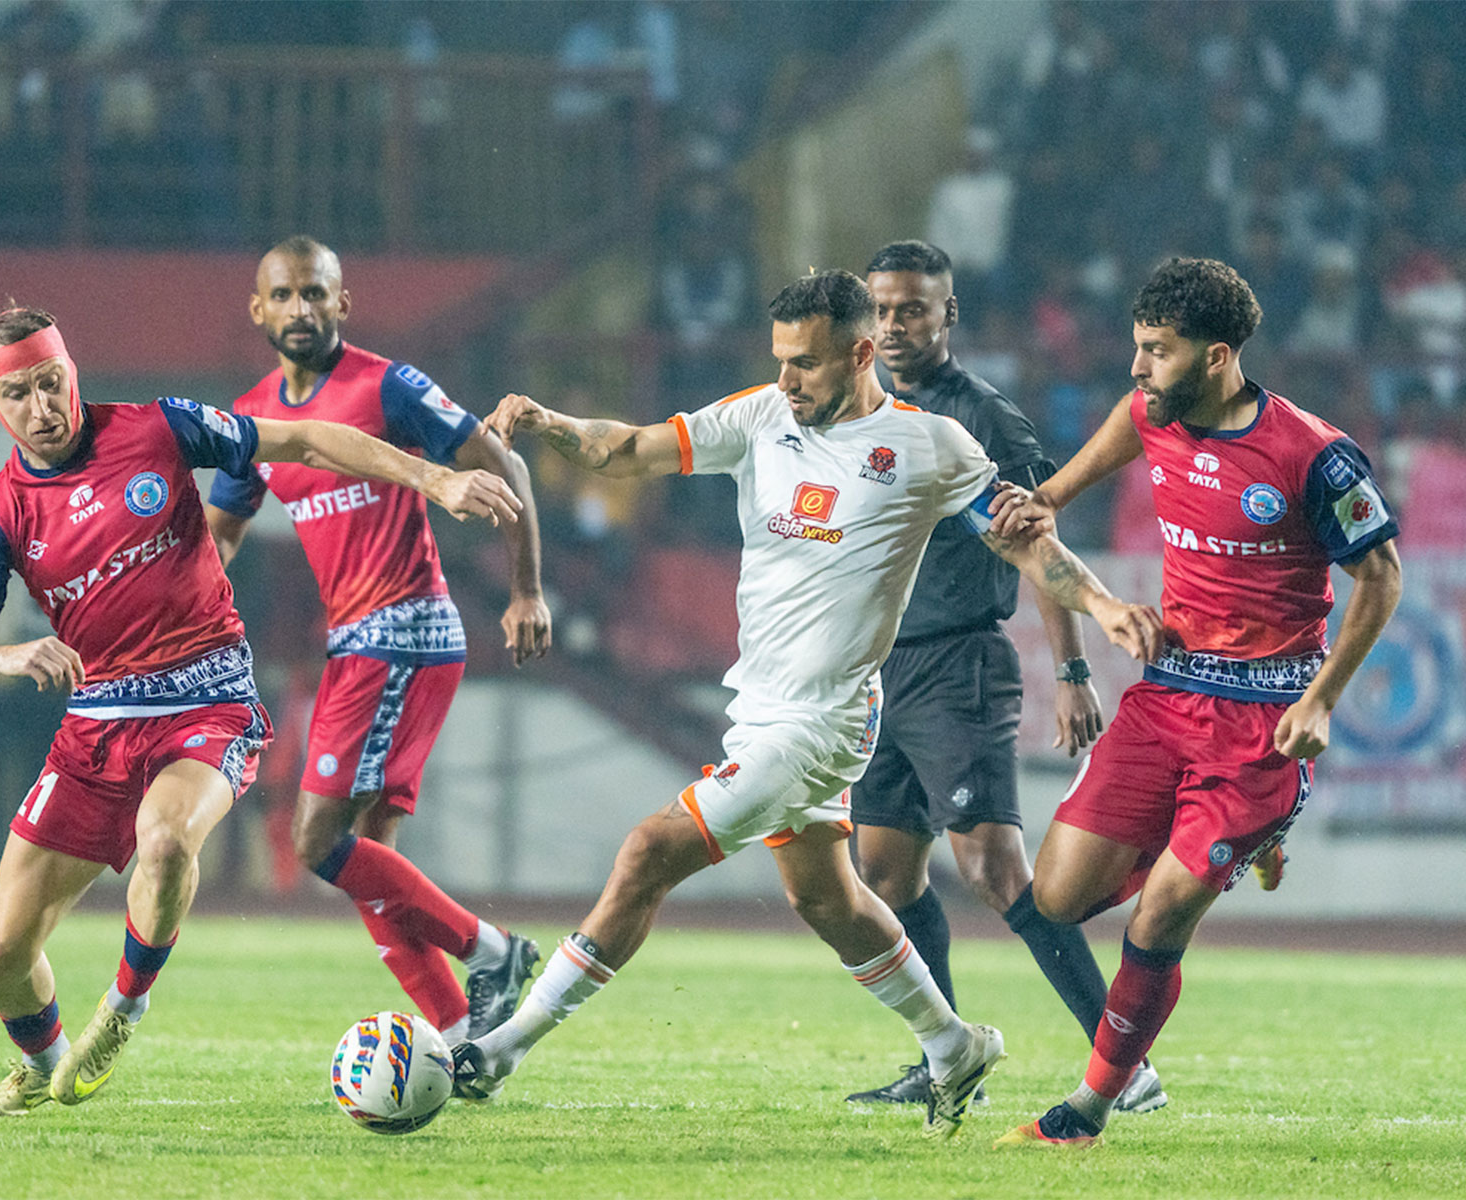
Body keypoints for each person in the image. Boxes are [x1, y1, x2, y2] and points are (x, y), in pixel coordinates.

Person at [449, 270, 1163, 1138]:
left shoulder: (930, 445)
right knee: (829, 900)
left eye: (807, 364)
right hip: (759, 708)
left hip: (823, 722)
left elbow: (1026, 545)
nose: (787, 379)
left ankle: (503, 1048)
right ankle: (952, 1045)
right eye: (780, 360)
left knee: (647, 852)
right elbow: (626, 448)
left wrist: (1104, 608)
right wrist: (550, 423)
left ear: (860, 355)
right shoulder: (761, 416)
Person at [0, 306, 521, 1117]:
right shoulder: (0, 515)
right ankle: (43, 1067)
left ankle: (125, 1006)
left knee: (166, 839)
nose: (43, 406)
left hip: (208, 699)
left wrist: (437, 479)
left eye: (51, 382)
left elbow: (306, 439)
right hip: (97, 722)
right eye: (19, 394)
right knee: (2, 950)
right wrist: (2, 656)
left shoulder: (156, 428)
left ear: (71, 371)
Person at [990, 258, 1402, 1149]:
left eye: (1158, 350)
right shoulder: (1146, 414)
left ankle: (1087, 1110)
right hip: (1169, 695)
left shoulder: (1314, 456)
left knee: (1160, 914)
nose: (1139, 366)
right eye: (1138, 346)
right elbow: (1045, 505)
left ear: (1217, 356)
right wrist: (1039, 535)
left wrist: (1323, 700)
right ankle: (1238, 840)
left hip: (1266, 720)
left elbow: (1382, 577)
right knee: (1055, 898)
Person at [204, 237, 550, 1048]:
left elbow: (504, 464)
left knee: (317, 840)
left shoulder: (387, 385)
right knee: (369, 862)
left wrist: (527, 589)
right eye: (283, 295)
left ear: (342, 303)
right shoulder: (252, 417)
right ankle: (465, 1039)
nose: (300, 309)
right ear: (258, 309)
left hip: (402, 629)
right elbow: (220, 535)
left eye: (314, 293)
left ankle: (493, 952)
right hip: (361, 639)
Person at [845, 241, 1165, 1114]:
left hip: (958, 665)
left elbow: (1036, 540)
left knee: (994, 868)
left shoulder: (985, 418)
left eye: (913, 309)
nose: (895, 325)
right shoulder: (858, 410)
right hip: (879, 669)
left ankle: (1125, 1064)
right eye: (882, 309)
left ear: (948, 314)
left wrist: (1071, 669)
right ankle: (946, 1061)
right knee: (886, 873)